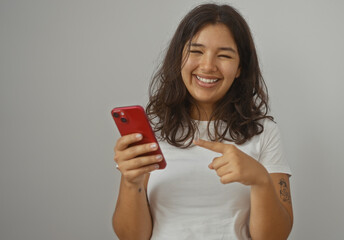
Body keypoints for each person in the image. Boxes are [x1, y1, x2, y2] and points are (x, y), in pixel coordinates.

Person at [112, 3, 293, 240]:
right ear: (179, 56)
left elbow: (275, 237)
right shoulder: (152, 130)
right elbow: (131, 237)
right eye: (196, 51)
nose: (207, 66)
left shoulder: (264, 132)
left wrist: (260, 180)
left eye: (224, 55)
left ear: (239, 67)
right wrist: (130, 181)